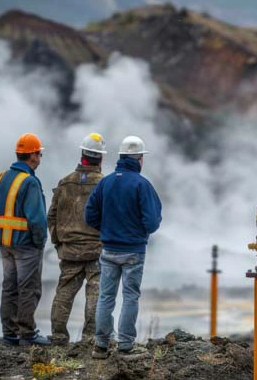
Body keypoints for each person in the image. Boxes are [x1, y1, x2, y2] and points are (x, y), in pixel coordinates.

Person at [86, 135, 162, 358]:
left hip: (108, 250)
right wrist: (139, 232)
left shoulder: (105, 182)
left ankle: (100, 345)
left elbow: (90, 214)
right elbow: (152, 221)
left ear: (120, 157)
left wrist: (107, 229)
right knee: (130, 296)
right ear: (139, 159)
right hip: (133, 251)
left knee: (105, 297)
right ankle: (125, 345)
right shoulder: (142, 185)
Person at [0, 133, 50, 346]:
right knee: (28, 288)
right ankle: (27, 334)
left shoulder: (1, 178)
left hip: (4, 244)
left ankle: (9, 333)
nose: (40, 158)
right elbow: (37, 219)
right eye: (39, 154)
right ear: (32, 156)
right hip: (26, 246)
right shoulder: (30, 182)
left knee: (9, 287)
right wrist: (40, 242)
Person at [47, 133, 107, 345]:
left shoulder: (65, 183)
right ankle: (90, 338)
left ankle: (58, 336)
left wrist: (58, 242)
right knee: (95, 294)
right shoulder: (104, 184)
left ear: (82, 154)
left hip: (69, 249)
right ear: (100, 158)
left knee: (64, 292)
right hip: (96, 249)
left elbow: (51, 216)